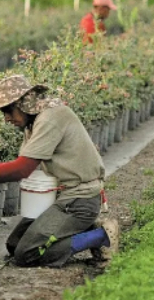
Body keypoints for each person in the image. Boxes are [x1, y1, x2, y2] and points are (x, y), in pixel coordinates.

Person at [0, 75, 118, 267]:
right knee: (14, 245)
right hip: (63, 196)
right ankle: (84, 228)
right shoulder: (35, 121)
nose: (6, 118)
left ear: (23, 104)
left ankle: (101, 236)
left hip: (79, 200)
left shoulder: (50, 118)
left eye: (8, 110)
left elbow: (23, 168)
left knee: (27, 253)